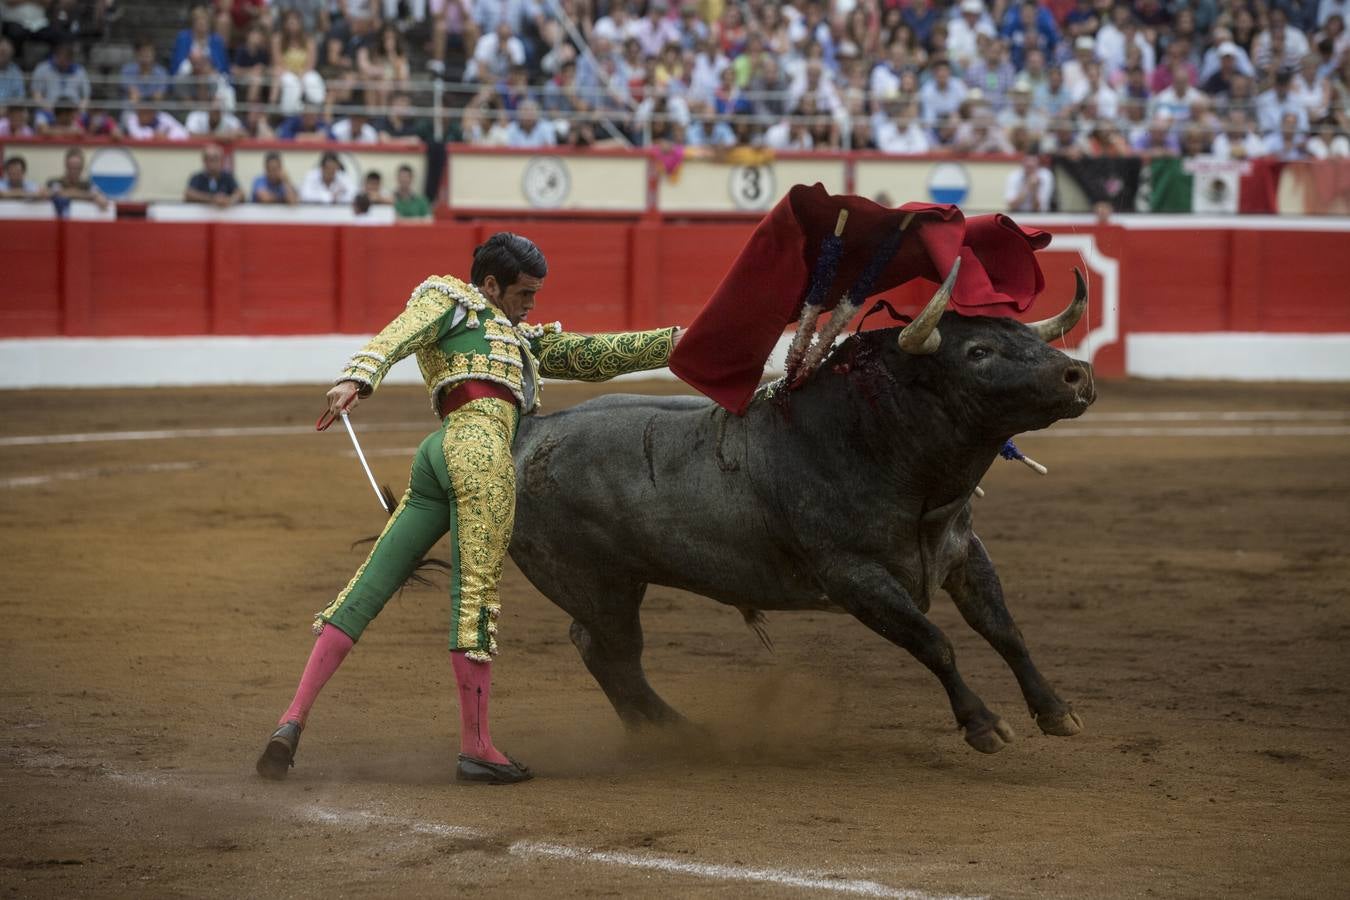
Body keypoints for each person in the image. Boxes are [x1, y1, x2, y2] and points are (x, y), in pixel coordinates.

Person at [255, 233, 684, 784]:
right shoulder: (452, 301)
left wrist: (675, 342)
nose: (531, 305)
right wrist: (357, 375)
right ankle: (476, 746)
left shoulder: (519, 337)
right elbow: (403, 330)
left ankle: (292, 721)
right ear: (489, 284)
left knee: (371, 583)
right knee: (475, 595)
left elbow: (592, 354)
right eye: (524, 293)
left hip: (438, 453)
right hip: (479, 447)